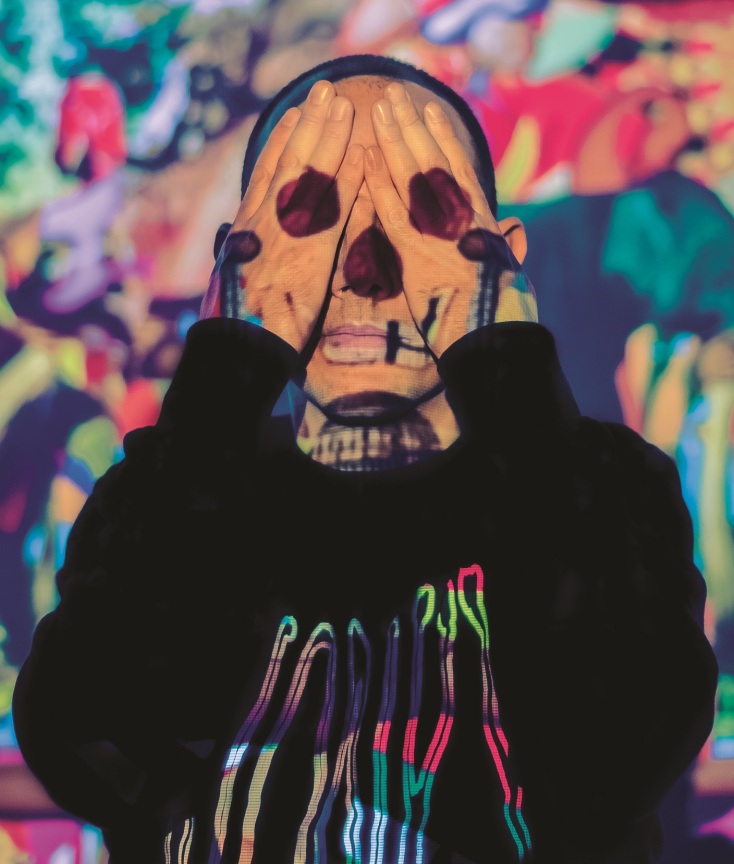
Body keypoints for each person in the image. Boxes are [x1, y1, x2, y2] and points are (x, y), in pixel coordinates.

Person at [12, 54, 718, 864]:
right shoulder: (163, 490)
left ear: (506, 256)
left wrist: (499, 349)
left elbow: (622, 752)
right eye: (314, 222)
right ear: (238, 259)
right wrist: (231, 357)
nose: (365, 273)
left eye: (421, 219)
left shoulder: (609, 488)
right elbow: (96, 746)